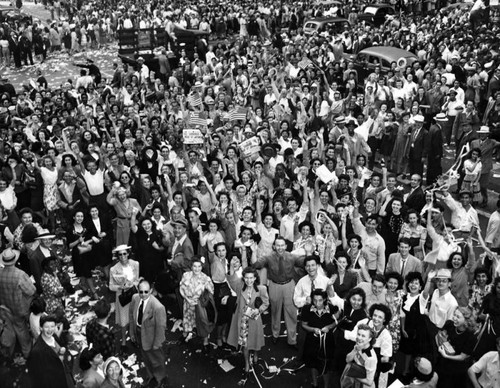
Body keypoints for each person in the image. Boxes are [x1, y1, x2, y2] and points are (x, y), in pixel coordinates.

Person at [253, 235, 309, 348]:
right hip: (274, 285)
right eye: (278, 245)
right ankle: (275, 335)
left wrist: (308, 252)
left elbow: (305, 263)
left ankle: (292, 340)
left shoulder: (292, 257)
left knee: (292, 313)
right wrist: (253, 251)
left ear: (286, 246)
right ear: (274, 246)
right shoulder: (268, 257)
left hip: (289, 285)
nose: (280, 248)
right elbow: (256, 265)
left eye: (282, 245)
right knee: (275, 311)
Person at [227, 266, 269, 374]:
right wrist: (231, 265)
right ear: (243, 278)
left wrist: (258, 310)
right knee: (244, 344)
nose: (249, 280)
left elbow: (266, 303)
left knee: (255, 340)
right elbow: (231, 279)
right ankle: (246, 363)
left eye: (251, 278)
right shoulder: (240, 287)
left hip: (254, 320)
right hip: (242, 320)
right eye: (246, 278)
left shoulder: (261, 289)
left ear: (255, 278)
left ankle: (255, 354)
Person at [129, 279, 169, 388]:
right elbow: (131, 315)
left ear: (150, 291)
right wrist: (132, 332)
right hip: (139, 332)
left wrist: (157, 344)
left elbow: (161, 327)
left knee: (157, 360)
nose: (143, 294)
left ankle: (160, 379)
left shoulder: (158, 307)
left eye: (146, 292)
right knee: (145, 357)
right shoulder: (135, 298)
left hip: (152, 337)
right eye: (141, 291)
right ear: (138, 290)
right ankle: (151, 376)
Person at [0, 248, 36, 361]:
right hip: (19, 309)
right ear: (15, 260)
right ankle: (27, 353)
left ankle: (11, 353)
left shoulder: (0, 273)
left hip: (5, 307)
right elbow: (31, 290)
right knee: (21, 330)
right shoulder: (20, 274)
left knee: (11, 329)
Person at [301, 289, 337, 388]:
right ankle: (315, 384)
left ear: (325, 299)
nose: (317, 303)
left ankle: (326, 385)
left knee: (326, 364)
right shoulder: (306, 309)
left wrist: (329, 327)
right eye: (315, 300)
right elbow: (303, 325)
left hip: (327, 341)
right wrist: (313, 329)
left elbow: (336, 322)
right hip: (312, 341)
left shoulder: (332, 308)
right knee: (312, 363)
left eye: (320, 300)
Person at [27, 314, 75, 388]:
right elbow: (37, 376)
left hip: (65, 375)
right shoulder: (36, 351)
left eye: (52, 326)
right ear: (41, 328)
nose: (50, 330)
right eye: (46, 327)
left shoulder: (54, 337)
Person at [435, 306, 477, 388]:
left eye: (458, 317)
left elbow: (462, 357)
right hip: (442, 363)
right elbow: (438, 336)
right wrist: (440, 344)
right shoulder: (449, 324)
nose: (454, 318)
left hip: (456, 370)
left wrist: (446, 355)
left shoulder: (470, 336)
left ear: (466, 320)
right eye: (454, 315)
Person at [400, 272, 432, 376]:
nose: (413, 285)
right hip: (404, 330)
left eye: (416, 283)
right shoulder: (404, 297)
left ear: (420, 287)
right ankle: (404, 369)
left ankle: (412, 372)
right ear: (408, 285)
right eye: (411, 283)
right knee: (405, 352)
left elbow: (426, 292)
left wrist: (429, 279)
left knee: (414, 353)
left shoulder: (421, 299)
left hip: (417, 333)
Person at [109, 245, 140, 350]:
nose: (122, 256)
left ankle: (133, 336)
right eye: (120, 254)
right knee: (123, 320)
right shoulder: (113, 269)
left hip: (134, 294)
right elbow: (110, 286)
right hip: (122, 296)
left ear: (128, 253)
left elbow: (137, 280)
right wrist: (120, 287)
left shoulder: (135, 264)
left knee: (133, 317)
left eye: (124, 254)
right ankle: (123, 340)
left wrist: (133, 284)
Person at [179, 257, 214, 347]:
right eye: (195, 266)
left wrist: (206, 288)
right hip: (188, 303)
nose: (197, 269)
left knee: (202, 323)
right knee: (187, 321)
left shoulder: (206, 278)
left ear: (202, 267)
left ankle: (205, 342)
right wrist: (187, 299)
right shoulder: (186, 275)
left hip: (200, 306)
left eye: (199, 266)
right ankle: (184, 335)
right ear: (191, 267)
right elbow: (181, 288)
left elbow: (211, 292)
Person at [340, 323, 378, 388]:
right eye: (358, 334)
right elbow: (347, 360)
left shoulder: (371, 358)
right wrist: (355, 350)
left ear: (369, 339)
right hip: (356, 383)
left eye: (363, 336)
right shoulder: (359, 345)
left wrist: (351, 374)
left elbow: (369, 382)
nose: (359, 337)